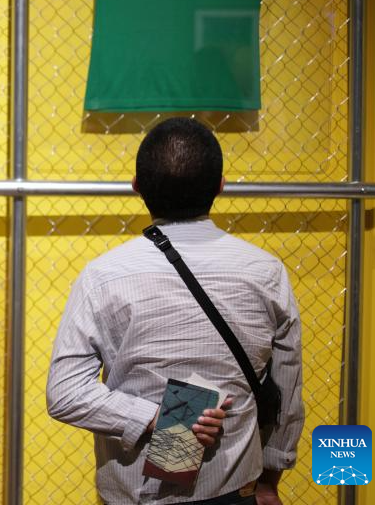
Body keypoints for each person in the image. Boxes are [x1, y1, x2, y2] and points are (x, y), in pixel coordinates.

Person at [46, 117, 304, 505]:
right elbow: (287, 385)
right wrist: (271, 476)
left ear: (137, 186)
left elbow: (65, 394)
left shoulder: (103, 276)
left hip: (134, 497)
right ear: (220, 186)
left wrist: (151, 417)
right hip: (234, 490)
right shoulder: (266, 272)